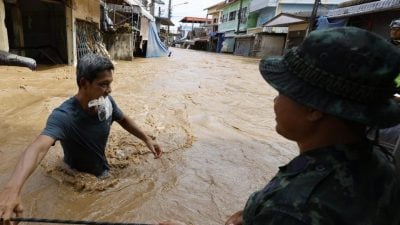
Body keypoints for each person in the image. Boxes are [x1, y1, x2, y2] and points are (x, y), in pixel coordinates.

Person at [160, 27, 400, 225]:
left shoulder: (293, 207)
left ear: (314, 109)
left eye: (282, 91)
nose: (275, 100)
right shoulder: (382, 164)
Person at [0, 54, 163, 223]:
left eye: (110, 83)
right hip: (74, 180)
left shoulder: (106, 103)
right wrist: (12, 189)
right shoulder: (64, 116)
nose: (109, 90)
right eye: (103, 84)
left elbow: (123, 119)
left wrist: (147, 139)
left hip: (104, 173)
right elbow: (38, 147)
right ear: (84, 83)